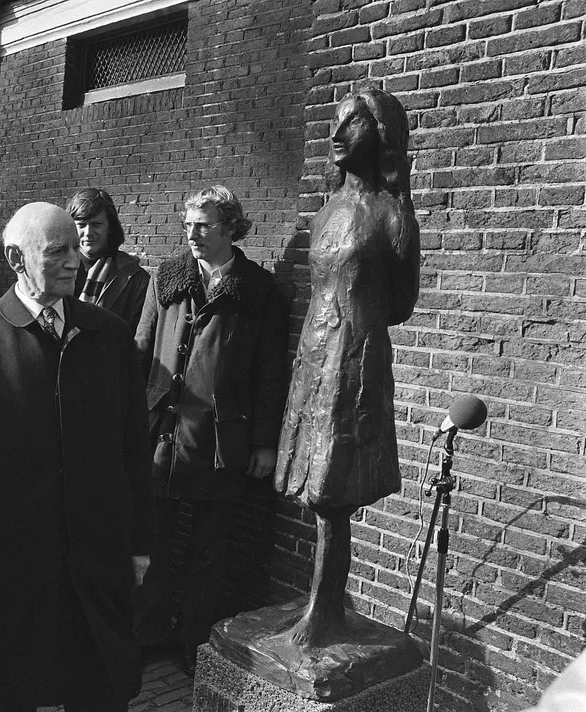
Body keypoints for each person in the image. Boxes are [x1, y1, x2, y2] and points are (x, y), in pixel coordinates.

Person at [0, 202, 154, 712]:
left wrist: (139, 542)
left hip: (96, 560)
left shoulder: (109, 335)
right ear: (16, 258)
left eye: (77, 246)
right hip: (11, 568)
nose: (76, 259)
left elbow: (134, 449)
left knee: (100, 687)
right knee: (13, 691)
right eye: (57, 251)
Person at [273, 88, 420, 647]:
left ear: (379, 135)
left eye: (351, 125)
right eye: (335, 126)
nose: (336, 137)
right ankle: (321, 604)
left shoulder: (390, 213)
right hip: (316, 354)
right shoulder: (328, 211)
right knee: (316, 491)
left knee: (334, 492)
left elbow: (403, 303)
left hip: (354, 360)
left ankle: (326, 610)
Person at [133, 185, 288, 675]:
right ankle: (148, 632)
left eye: (204, 224)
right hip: (161, 432)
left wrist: (264, 442)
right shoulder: (167, 278)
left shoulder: (258, 291)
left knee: (208, 551)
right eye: (188, 223)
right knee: (152, 543)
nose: (193, 234)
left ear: (230, 228)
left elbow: (269, 374)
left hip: (221, 443)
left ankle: (193, 641)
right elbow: (140, 352)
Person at [66, 188, 150, 335]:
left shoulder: (134, 278)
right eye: (81, 224)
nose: (88, 233)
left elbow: (139, 339)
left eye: (97, 224)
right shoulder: (58, 268)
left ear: (110, 227)